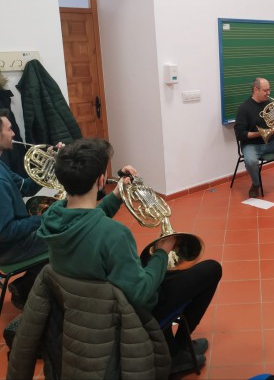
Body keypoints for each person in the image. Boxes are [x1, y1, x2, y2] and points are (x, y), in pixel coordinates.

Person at [36, 138, 222, 376]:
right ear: (101, 180)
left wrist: (119, 195)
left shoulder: (52, 217)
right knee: (210, 269)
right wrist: (164, 252)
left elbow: (85, 219)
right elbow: (142, 295)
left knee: (150, 267)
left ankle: (172, 345)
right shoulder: (115, 235)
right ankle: (175, 350)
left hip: (83, 310)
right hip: (124, 315)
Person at [0, 109, 49, 309]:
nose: (13, 134)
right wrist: (41, 219)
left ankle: (24, 286)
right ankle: (31, 291)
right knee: (67, 236)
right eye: (9, 129)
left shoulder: (1, 166)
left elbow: (25, 187)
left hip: (10, 242)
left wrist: (50, 166)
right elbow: (5, 232)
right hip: (9, 249)